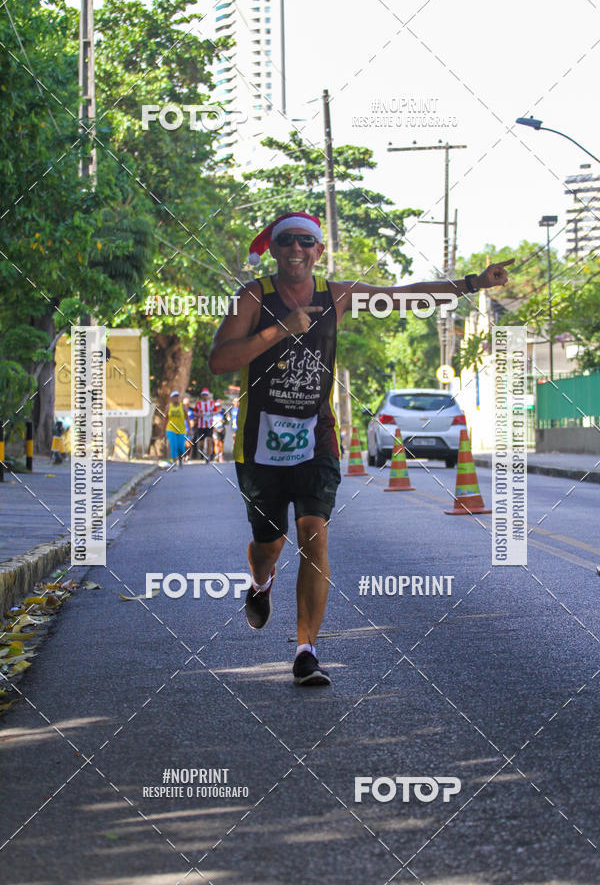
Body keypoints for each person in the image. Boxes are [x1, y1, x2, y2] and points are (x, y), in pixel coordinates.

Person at [209, 211, 513, 686]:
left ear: (319, 251)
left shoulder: (337, 295)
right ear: (274, 247)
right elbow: (219, 359)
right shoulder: (252, 297)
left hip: (317, 436)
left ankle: (306, 651)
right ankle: (261, 580)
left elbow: (400, 298)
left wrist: (472, 282)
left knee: (314, 532)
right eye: (287, 241)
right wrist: (279, 329)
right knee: (268, 546)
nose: (296, 250)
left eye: (306, 242)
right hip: (260, 444)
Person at [165, 390, 187, 468]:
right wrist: (163, 430)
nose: (176, 398)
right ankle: (174, 463)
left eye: (177, 397)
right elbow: (166, 419)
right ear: (171, 398)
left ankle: (180, 459)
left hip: (181, 429)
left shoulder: (183, 406)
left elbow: (187, 418)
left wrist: (190, 429)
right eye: (174, 397)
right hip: (171, 429)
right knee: (173, 445)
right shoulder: (168, 407)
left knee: (181, 447)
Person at [194, 388, 216, 462]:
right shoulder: (198, 404)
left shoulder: (212, 403)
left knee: (209, 440)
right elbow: (194, 413)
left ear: (208, 396)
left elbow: (217, 410)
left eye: (206, 395)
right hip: (201, 425)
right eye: (203, 395)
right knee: (201, 443)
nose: (205, 396)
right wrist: (199, 414)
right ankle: (202, 453)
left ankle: (207, 456)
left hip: (209, 425)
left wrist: (214, 413)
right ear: (201, 396)